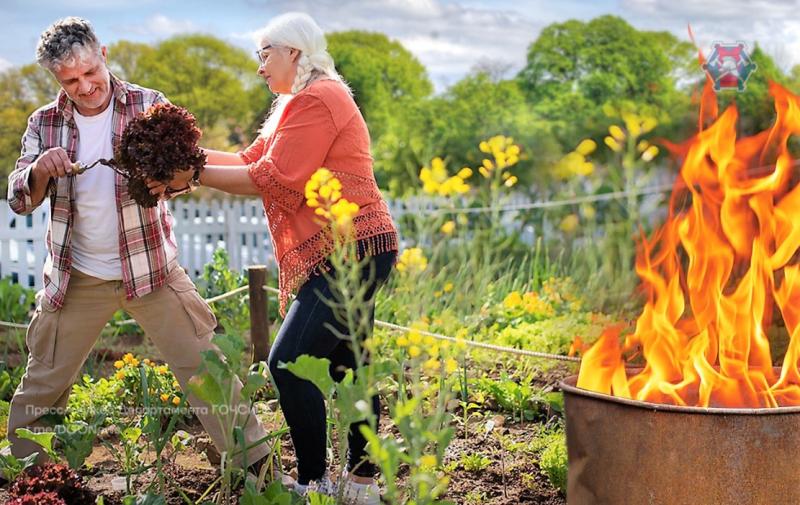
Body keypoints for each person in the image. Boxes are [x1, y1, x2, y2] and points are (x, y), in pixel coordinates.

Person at [5, 17, 272, 478]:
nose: (85, 86)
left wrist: (171, 179)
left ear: (103, 55)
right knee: (41, 386)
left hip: (151, 270)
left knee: (209, 371)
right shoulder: (44, 123)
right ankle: (31, 481)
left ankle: (260, 473)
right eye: (70, 80)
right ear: (55, 78)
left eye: (90, 72)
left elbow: (189, 173)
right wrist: (40, 171)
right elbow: (18, 197)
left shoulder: (150, 105)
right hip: (77, 277)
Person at [156, 12, 398, 504]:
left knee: (287, 363)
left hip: (350, 250)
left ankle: (315, 482)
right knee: (353, 364)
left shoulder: (321, 97)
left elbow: (275, 178)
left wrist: (191, 173)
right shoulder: (297, 103)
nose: (260, 68)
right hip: (354, 248)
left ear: (294, 51)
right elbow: (251, 162)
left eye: (264, 54)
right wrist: (185, 157)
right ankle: (363, 483)